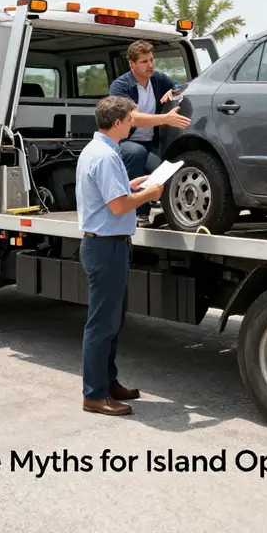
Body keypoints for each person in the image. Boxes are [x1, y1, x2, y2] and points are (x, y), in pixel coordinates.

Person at [76, 95, 164, 416]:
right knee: (102, 324)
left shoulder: (96, 150)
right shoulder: (107, 156)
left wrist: (131, 184)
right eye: (130, 119)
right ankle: (95, 395)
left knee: (111, 320)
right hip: (107, 245)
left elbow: (109, 193)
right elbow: (117, 206)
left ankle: (108, 383)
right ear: (117, 123)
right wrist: (149, 195)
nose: (133, 123)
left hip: (106, 243)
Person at [109, 40, 190, 224]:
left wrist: (174, 91)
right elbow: (132, 118)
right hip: (124, 142)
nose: (150, 65)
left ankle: (170, 213)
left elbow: (183, 87)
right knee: (136, 153)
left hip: (150, 143)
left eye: (152, 60)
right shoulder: (120, 86)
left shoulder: (158, 79)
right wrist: (165, 118)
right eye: (144, 61)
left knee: (165, 170)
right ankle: (138, 212)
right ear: (132, 64)